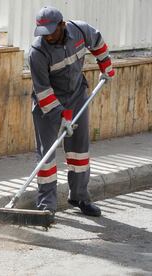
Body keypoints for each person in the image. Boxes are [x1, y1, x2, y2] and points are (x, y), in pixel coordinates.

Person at [28, 6, 115, 217]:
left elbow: (98, 42)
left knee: (79, 152)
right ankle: (46, 205)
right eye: (43, 33)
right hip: (47, 104)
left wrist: (106, 64)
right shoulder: (37, 52)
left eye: (51, 31)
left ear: (62, 24)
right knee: (47, 155)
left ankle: (80, 197)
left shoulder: (80, 31)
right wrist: (62, 116)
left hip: (77, 96)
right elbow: (43, 91)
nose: (47, 36)